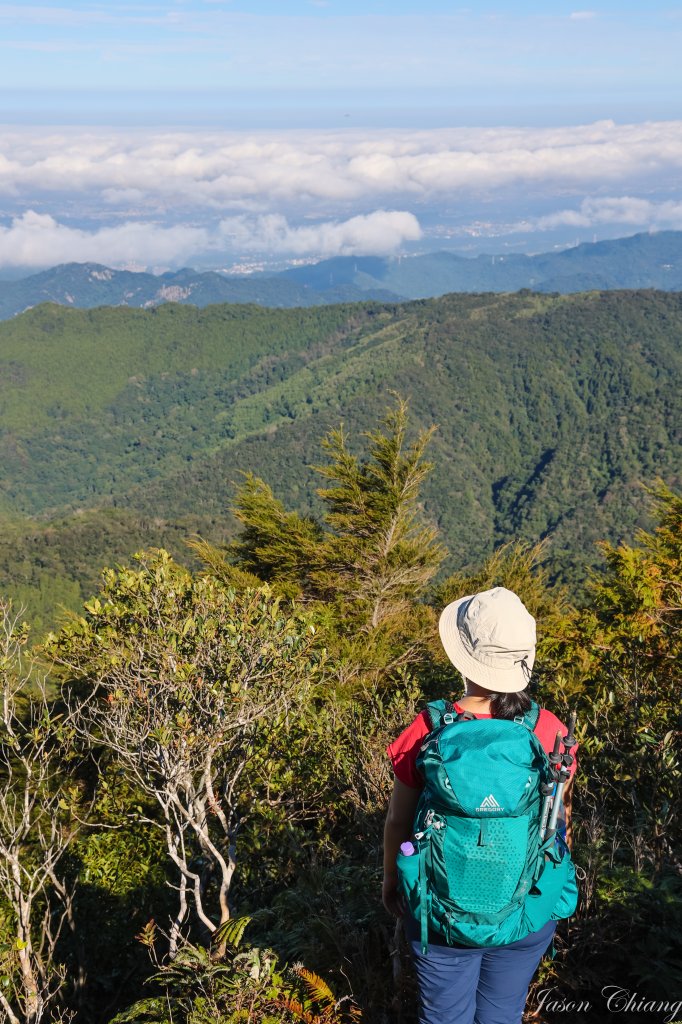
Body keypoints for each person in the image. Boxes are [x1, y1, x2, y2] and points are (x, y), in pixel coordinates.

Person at [382, 587, 578, 1024]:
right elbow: (557, 821)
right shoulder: (548, 730)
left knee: (445, 1016)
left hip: (441, 911)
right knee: (501, 1012)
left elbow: (397, 821)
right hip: (527, 905)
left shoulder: (429, 729)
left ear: (463, 659)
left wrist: (392, 882)